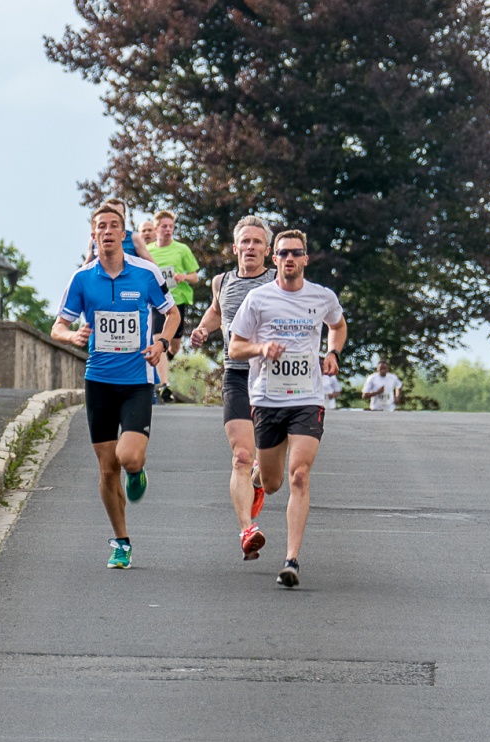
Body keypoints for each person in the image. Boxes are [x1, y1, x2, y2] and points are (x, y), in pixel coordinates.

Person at [52, 203, 180, 570]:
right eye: (100, 227)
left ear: (124, 235)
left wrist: (161, 343)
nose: (107, 232)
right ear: (93, 235)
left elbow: (172, 313)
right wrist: (72, 334)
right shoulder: (81, 279)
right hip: (99, 382)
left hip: (137, 381)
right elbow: (57, 326)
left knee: (128, 458)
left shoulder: (146, 273)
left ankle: (138, 472)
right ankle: (121, 541)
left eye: (114, 226)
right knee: (107, 470)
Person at [229, 229, 347, 588]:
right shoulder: (258, 299)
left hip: (307, 398)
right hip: (267, 399)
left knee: (299, 475)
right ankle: (258, 482)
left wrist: (332, 352)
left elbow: (338, 326)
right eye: (283, 253)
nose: (290, 259)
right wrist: (261, 349)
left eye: (296, 253)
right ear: (274, 258)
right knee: (274, 480)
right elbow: (235, 348)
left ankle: (291, 559)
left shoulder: (322, 297)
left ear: (306, 259)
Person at [189, 215, 276, 561]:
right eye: (246, 241)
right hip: (237, 375)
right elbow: (215, 311)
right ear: (235, 247)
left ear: (268, 250)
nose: (251, 247)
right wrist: (202, 330)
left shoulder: (277, 280)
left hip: (274, 379)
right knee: (241, 455)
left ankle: (258, 482)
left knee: (267, 469)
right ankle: (247, 530)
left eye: (258, 242)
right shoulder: (221, 281)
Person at [148, 209, 201, 397]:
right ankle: (164, 385)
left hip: (177, 301)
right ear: (156, 229)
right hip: (157, 303)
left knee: (174, 345)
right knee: (159, 339)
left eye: (171, 226)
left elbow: (195, 277)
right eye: (164, 226)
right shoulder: (148, 251)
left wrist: (182, 276)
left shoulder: (182, 249)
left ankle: (165, 359)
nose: (168, 230)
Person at [83, 198, 157, 266]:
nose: (114, 216)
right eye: (111, 212)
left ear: (124, 217)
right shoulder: (94, 239)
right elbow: (87, 264)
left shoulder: (133, 238)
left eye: (118, 213)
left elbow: (151, 264)